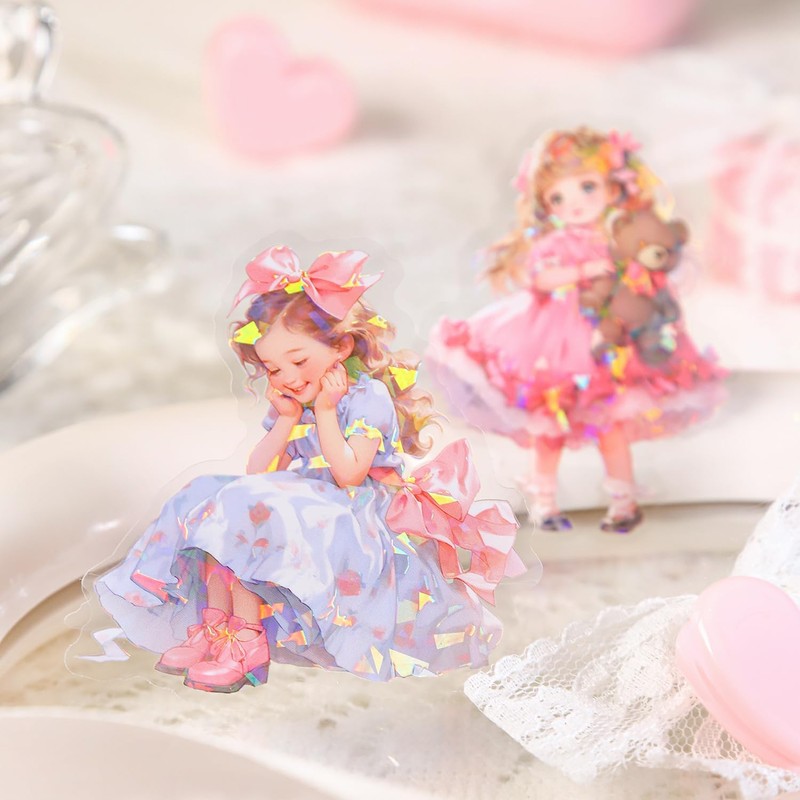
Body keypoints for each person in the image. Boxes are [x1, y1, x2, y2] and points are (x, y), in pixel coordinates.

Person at [94, 245, 524, 693]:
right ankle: (216, 627)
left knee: (245, 508)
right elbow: (259, 471)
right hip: (300, 499)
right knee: (204, 494)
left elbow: (349, 474)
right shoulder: (293, 402)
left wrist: (325, 411)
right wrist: (284, 419)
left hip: (355, 510)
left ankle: (247, 641)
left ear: (341, 346)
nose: (288, 377)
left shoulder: (365, 398)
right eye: (273, 369)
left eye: (298, 361)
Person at [427, 128, 725, 533]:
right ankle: (544, 501)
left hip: (610, 345)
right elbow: (541, 278)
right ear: (546, 206)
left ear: (613, 188)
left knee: (612, 426)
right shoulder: (556, 244)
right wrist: (583, 270)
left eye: (587, 187)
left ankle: (623, 502)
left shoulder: (619, 239)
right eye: (558, 197)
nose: (574, 203)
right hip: (554, 344)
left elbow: (644, 273)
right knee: (549, 427)